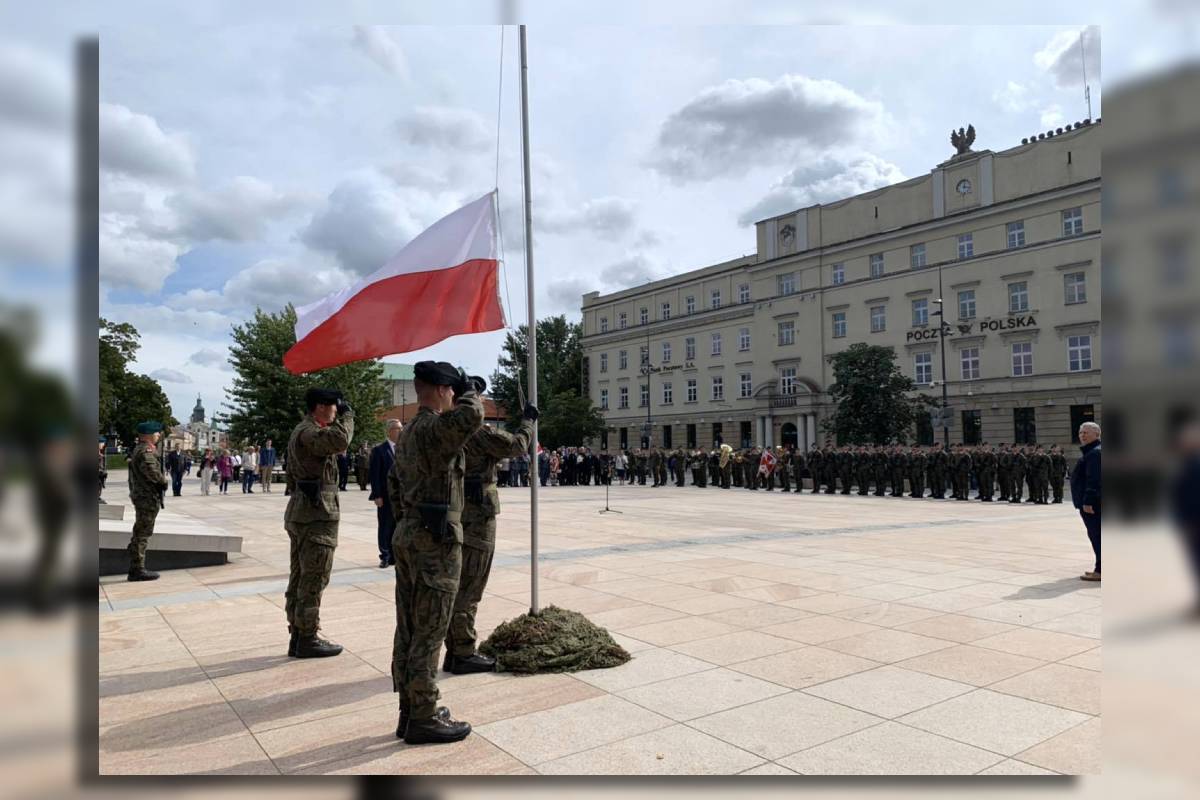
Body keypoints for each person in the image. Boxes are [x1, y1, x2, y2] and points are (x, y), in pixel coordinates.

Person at [387, 361, 482, 745]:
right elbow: (473, 415)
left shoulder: (408, 431)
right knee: (430, 630)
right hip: (435, 542)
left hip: (410, 532)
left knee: (409, 627)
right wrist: (470, 387)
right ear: (444, 390)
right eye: (453, 391)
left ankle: (410, 710)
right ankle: (424, 716)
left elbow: (394, 486)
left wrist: (411, 522)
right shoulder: (434, 427)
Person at [448, 376, 537, 675]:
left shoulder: (444, 427)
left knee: (459, 581)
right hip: (477, 512)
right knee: (471, 584)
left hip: (456, 507)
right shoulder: (476, 432)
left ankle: (454, 649)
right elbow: (517, 445)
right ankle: (461, 651)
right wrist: (527, 422)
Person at [283, 387, 355, 659]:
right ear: (322, 407)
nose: (337, 411)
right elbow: (340, 440)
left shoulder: (306, 429)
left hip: (307, 512)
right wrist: (349, 416)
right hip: (315, 516)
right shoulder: (309, 431)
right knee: (313, 578)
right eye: (334, 406)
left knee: (302, 577)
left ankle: (299, 634)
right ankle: (307, 637)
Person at [126, 421, 168, 581]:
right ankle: (137, 568)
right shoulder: (146, 451)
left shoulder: (140, 449)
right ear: (149, 435)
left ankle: (135, 560)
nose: (158, 436)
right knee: (143, 533)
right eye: (157, 433)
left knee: (140, 532)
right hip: (146, 497)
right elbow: (152, 471)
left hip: (142, 496)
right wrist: (163, 481)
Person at [1071, 422, 1102, 582]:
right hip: (1092, 502)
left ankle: (1101, 570)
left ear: (1097, 434)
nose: (1082, 435)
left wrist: (1088, 501)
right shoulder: (1092, 452)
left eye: (1086, 432)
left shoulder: (1095, 454)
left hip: (1093, 504)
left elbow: (1094, 480)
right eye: (1080, 432)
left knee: (1097, 535)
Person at [370, 419, 402, 568]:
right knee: (385, 526)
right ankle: (385, 555)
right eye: (397, 428)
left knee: (398, 526)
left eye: (401, 428)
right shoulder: (379, 450)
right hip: (385, 495)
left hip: (401, 497)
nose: (401, 431)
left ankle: (395, 555)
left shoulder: (404, 449)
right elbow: (374, 475)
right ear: (389, 431)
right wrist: (377, 495)